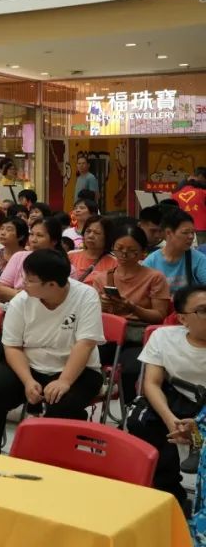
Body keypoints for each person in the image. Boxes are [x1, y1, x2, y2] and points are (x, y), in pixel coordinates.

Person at [0, 250, 105, 453]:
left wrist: (64, 381)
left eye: (30, 280)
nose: (23, 283)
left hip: (76, 370)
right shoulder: (21, 301)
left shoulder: (86, 296)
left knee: (63, 405)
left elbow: (85, 344)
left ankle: (52, 462)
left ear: (52, 284)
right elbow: (13, 346)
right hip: (29, 365)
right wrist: (27, 380)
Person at [128, 285, 206, 515]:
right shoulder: (164, 337)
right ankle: (167, 494)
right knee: (141, 422)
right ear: (182, 319)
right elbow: (151, 383)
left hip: (202, 408)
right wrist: (171, 420)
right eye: (203, 310)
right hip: (175, 398)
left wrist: (199, 425)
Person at [89, 222, 170, 399]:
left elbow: (159, 316)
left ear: (143, 252)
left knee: (131, 370)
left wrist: (133, 308)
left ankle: (131, 408)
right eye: (119, 249)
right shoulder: (102, 278)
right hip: (108, 336)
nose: (124, 255)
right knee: (82, 360)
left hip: (138, 336)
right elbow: (93, 316)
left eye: (132, 251)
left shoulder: (155, 278)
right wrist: (101, 305)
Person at [0, 216, 65, 302]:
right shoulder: (19, 256)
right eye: (31, 234)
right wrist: (23, 296)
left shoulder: (62, 266)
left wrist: (19, 295)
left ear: (54, 241)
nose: (33, 240)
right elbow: (1, 289)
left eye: (39, 235)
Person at [144, 209, 206, 292]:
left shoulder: (199, 259)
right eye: (185, 232)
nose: (191, 237)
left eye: (192, 232)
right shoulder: (151, 262)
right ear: (168, 233)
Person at [67, 215, 117, 282]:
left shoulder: (115, 262)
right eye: (88, 231)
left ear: (107, 237)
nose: (90, 236)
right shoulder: (70, 256)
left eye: (97, 233)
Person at [174, 168, 206, 244]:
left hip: (183, 227)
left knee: (185, 247)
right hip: (201, 227)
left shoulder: (175, 195)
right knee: (202, 249)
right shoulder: (203, 192)